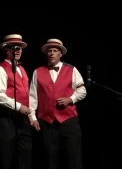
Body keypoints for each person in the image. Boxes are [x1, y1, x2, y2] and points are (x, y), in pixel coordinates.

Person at [28, 38, 87, 169]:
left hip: (69, 120)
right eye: (49, 51)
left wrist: (70, 99)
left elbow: (82, 90)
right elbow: (32, 97)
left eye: (55, 50)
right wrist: (32, 117)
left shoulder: (72, 70)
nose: (52, 53)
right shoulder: (37, 72)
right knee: (50, 160)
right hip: (47, 121)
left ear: (61, 54)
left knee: (74, 158)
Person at [0, 34, 32, 169]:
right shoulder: (0, 69)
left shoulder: (22, 69)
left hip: (23, 121)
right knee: (6, 158)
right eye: (15, 48)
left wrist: (31, 116)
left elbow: (26, 94)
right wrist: (19, 106)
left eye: (20, 47)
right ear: (7, 50)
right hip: (6, 120)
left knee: (24, 158)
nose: (18, 50)